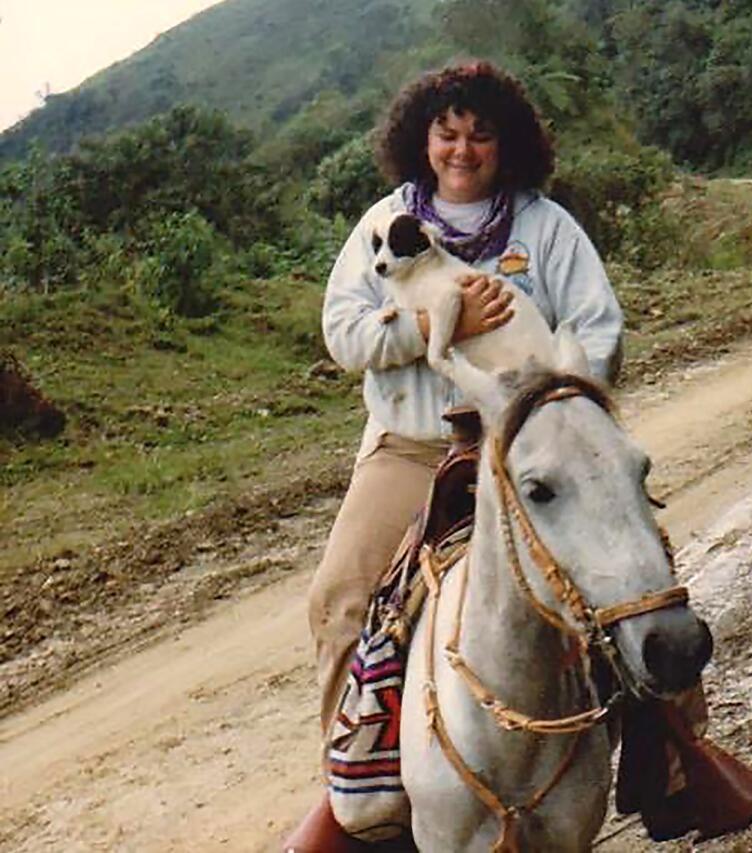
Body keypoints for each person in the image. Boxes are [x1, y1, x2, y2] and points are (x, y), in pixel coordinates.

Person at [286, 61, 624, 851]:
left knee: (629, 580)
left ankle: (670, 755)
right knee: (338, 599)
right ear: (421, 139)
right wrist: (435, 324)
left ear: (507, 143)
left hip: (529, 442)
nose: (462, 148)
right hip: (412, 446)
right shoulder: (382, 224)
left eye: (479, 133)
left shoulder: (545, 227)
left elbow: (598, 327)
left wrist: (558, 406)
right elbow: (344, 334)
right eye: (447, 132)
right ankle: (360, 794)